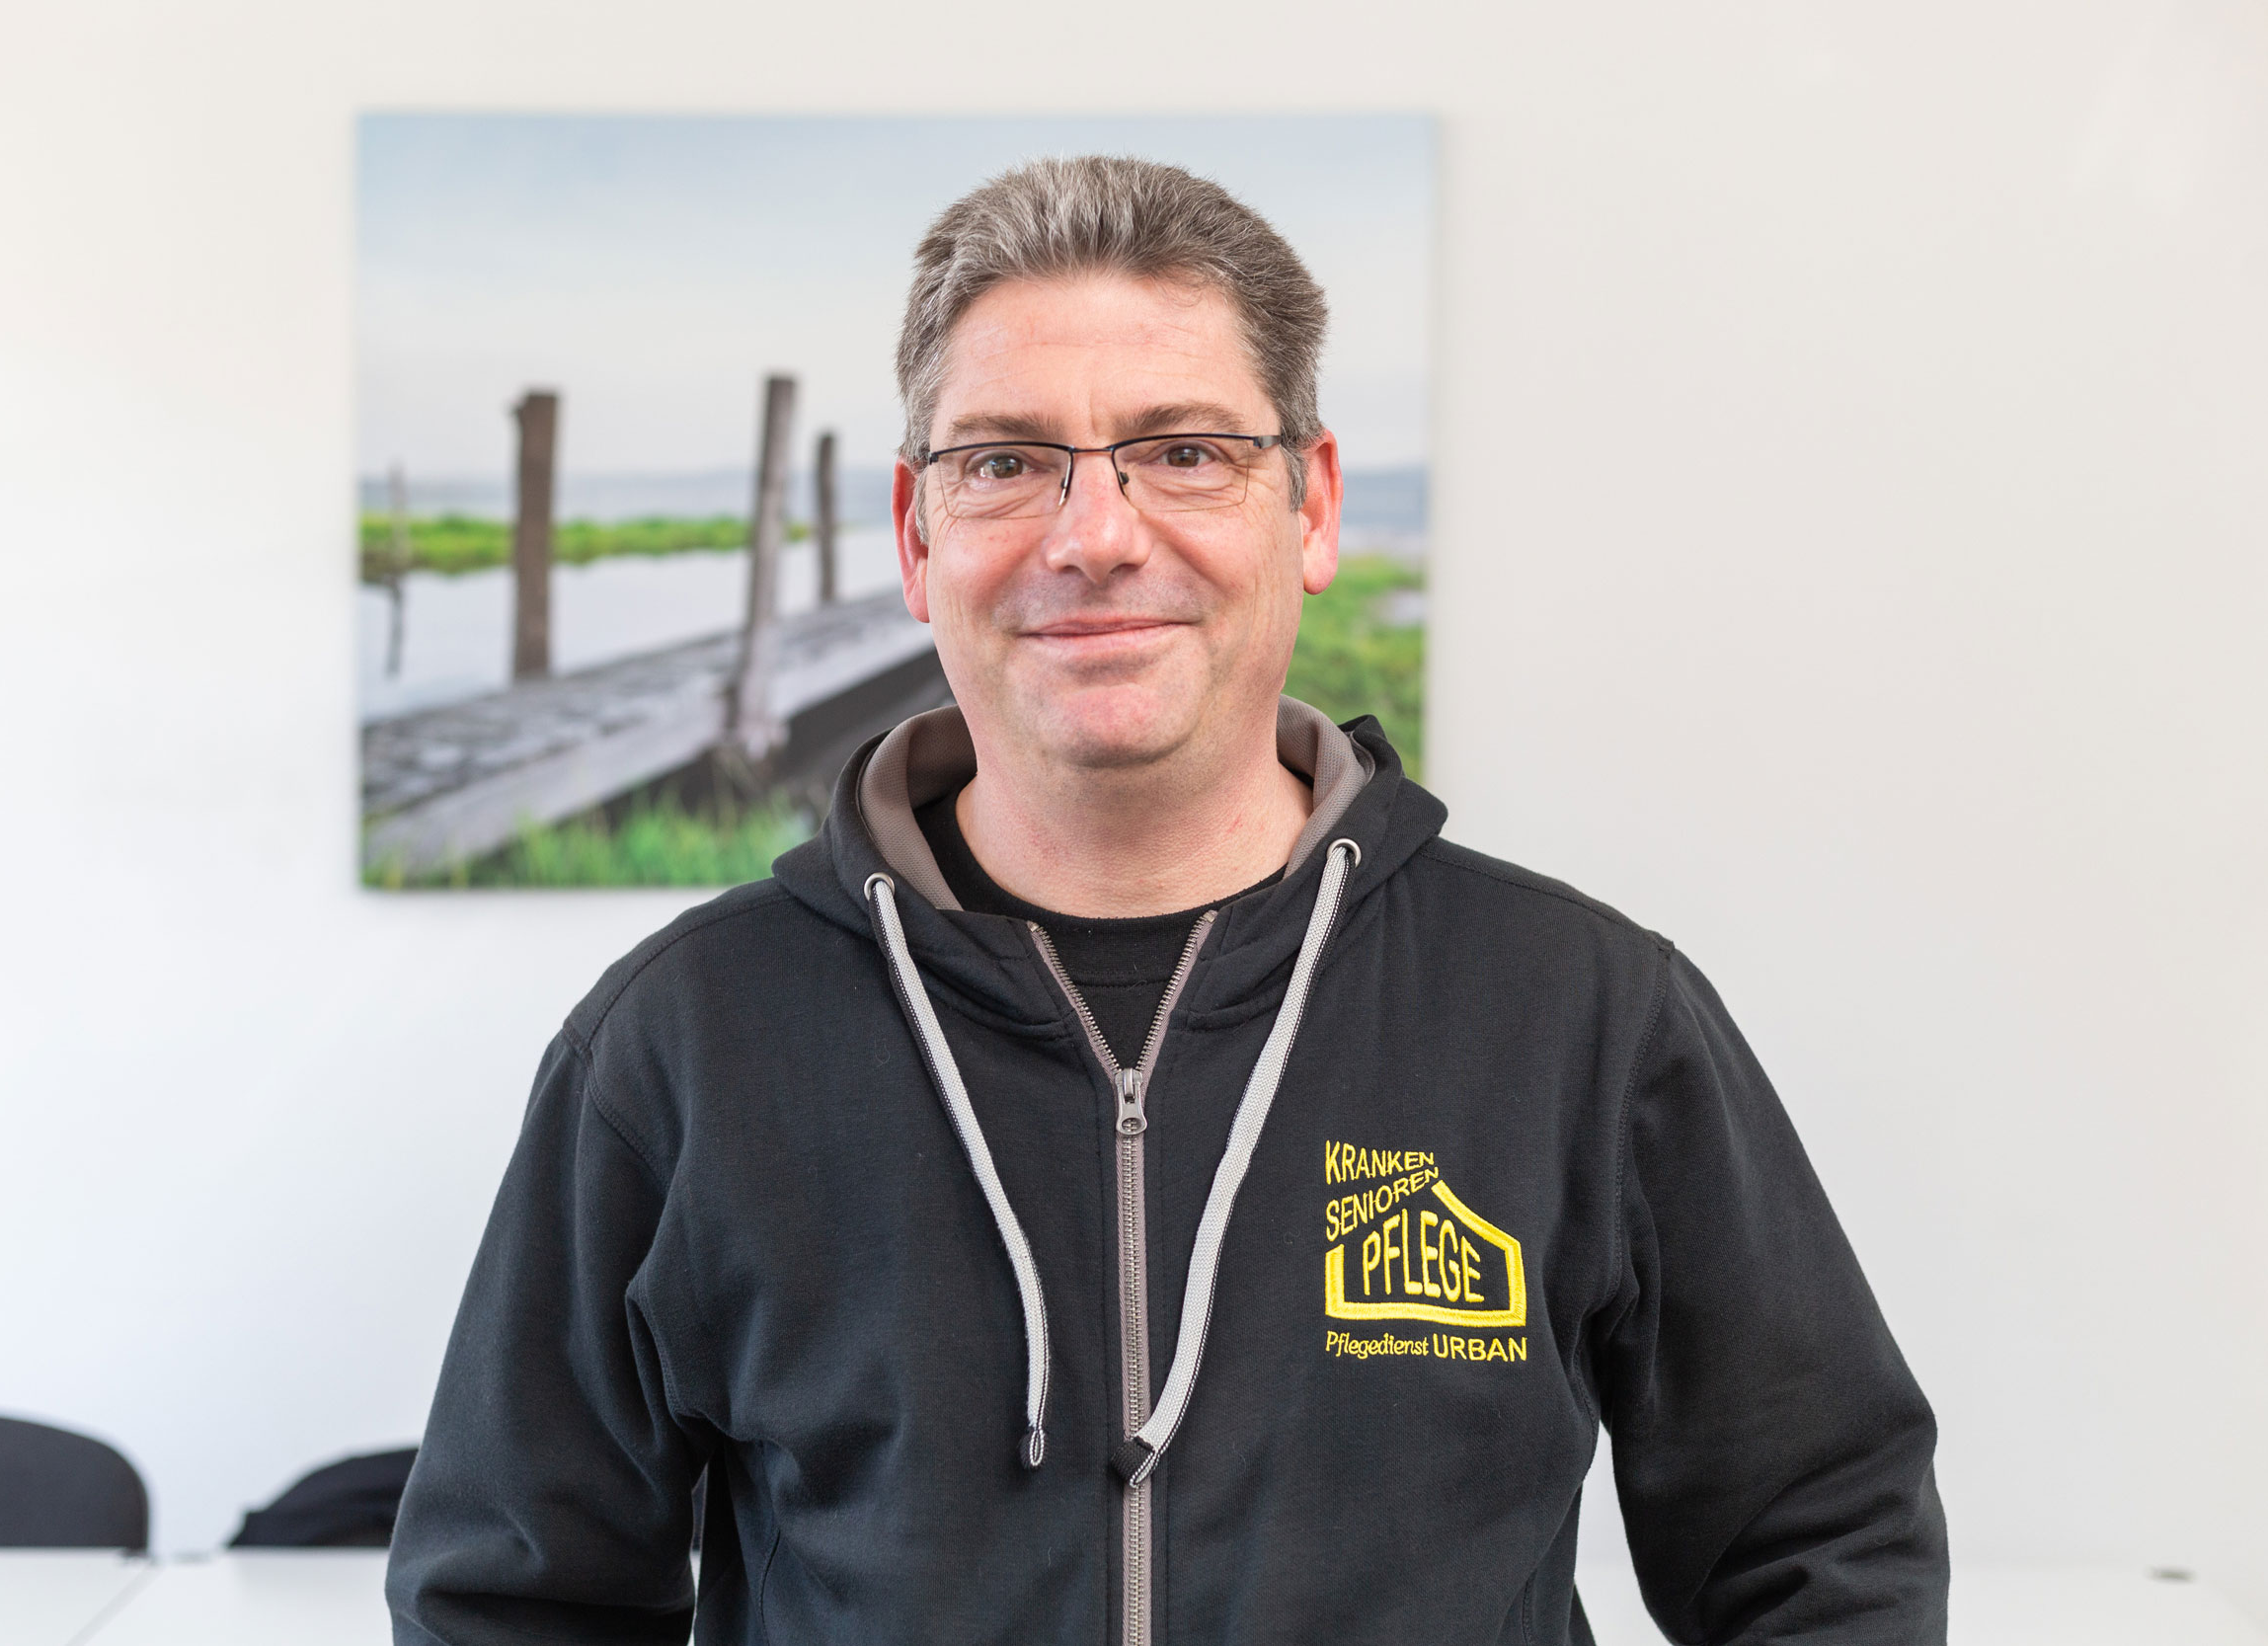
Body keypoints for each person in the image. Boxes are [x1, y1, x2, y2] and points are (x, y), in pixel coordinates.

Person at [386, 156, 1947, 1645]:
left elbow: (1824, 1548)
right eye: (1007, 462)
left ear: (1311, 507)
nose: (1095, 538)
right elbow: (507, 1606)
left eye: (1185, 450)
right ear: (917, 536)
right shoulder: (684, 1044)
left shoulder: (1582, 1015)